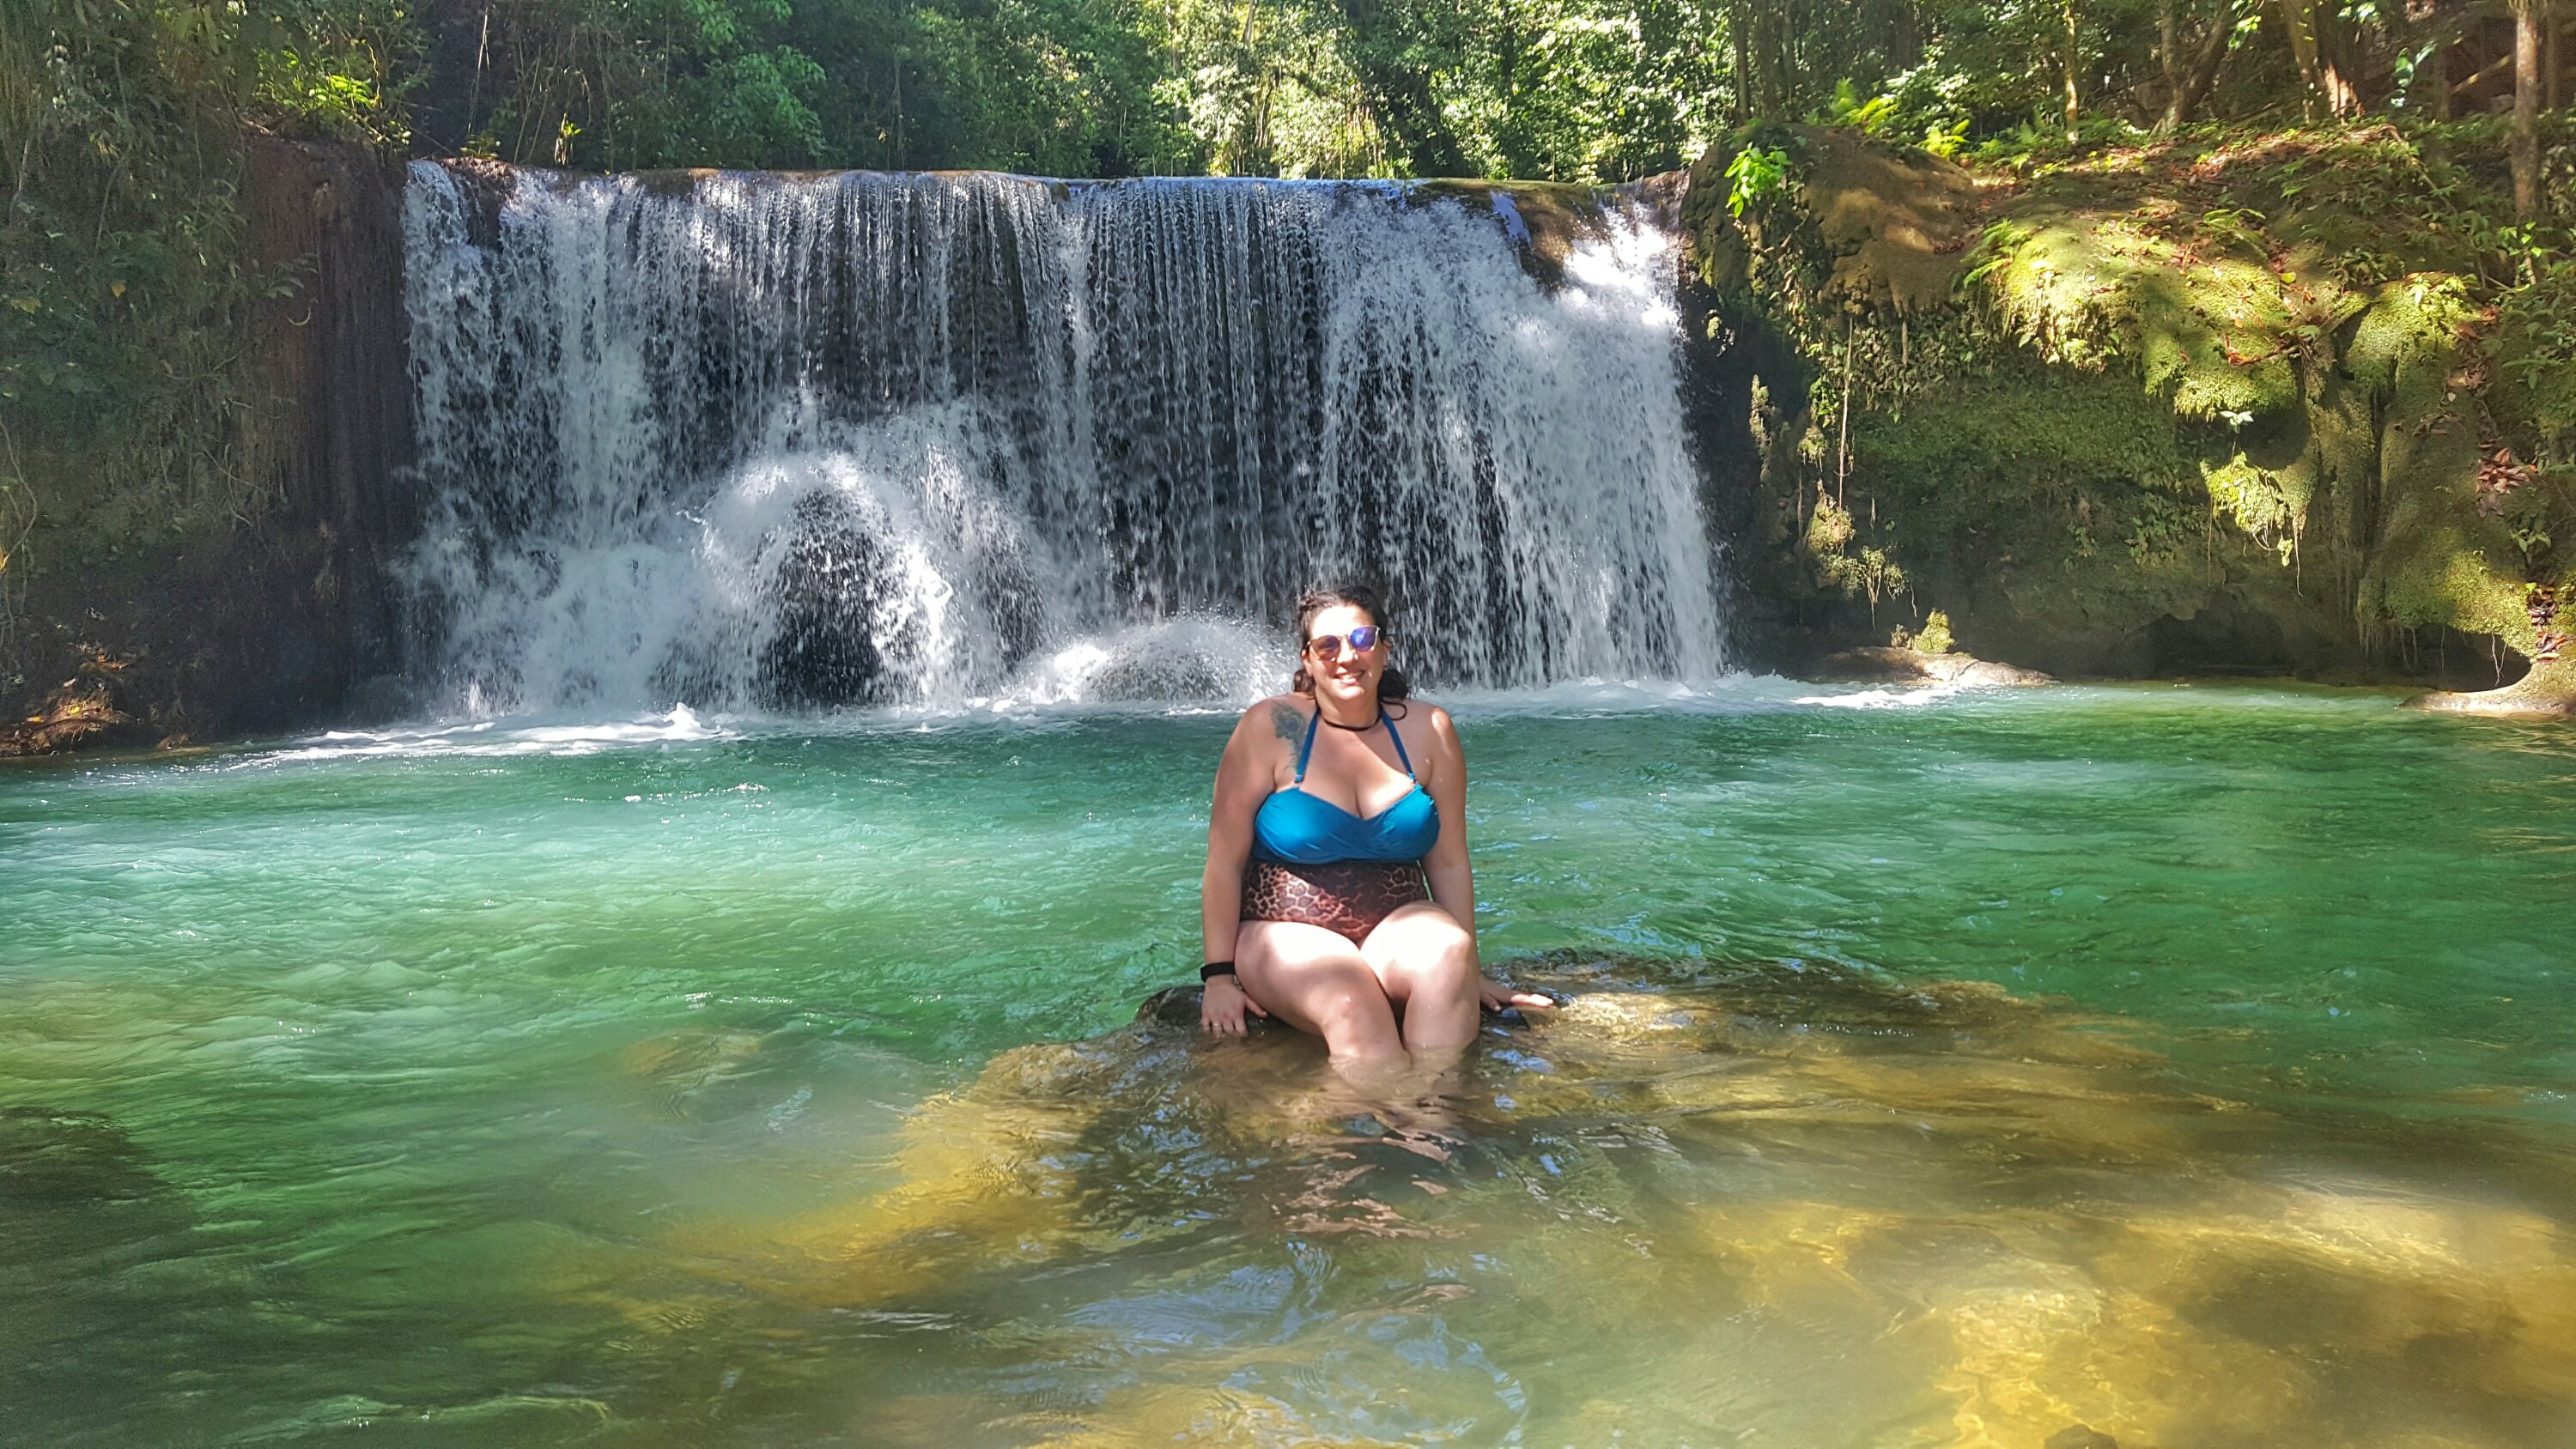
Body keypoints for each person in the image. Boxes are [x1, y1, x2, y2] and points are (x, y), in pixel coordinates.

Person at [1199, 585, 1552, 1067]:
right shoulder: (1269, 727)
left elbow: (1447, 859)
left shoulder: (1430, 729)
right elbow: (1224, 861)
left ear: (1385, 648)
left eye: (1363, 638)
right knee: (1350, 1001)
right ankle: (1389, 1127)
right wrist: (1218, 977)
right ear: (1308, 659)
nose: (1348, 656)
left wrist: (1472, 971)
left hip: (1397, 925)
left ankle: (1430, 1119)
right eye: (1328, 646)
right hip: (1284, 930)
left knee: (1448, 956)